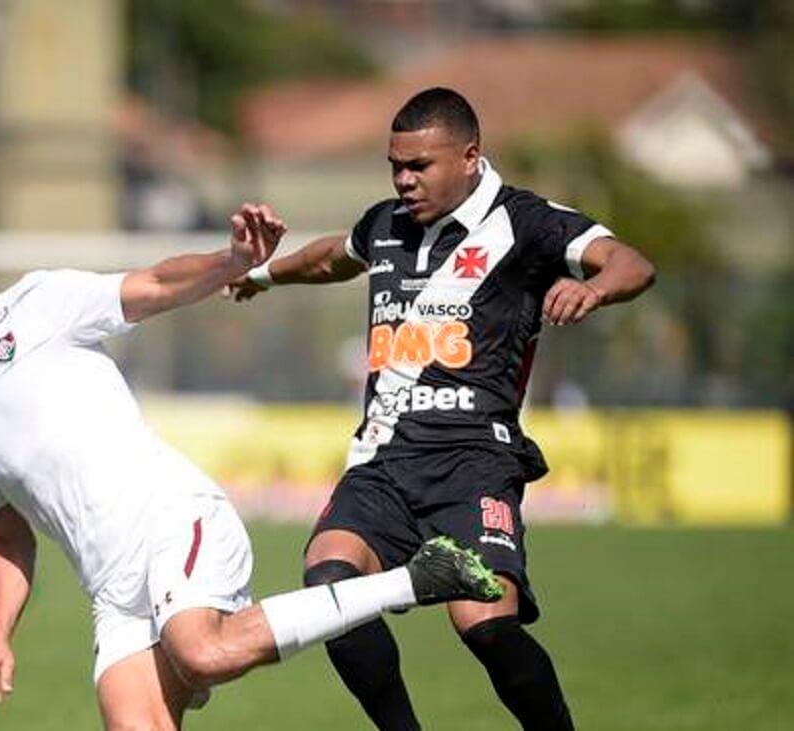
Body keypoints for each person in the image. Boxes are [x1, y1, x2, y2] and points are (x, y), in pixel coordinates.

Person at [0, 202, 505, 729]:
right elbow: (9, 538)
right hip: (110, 593)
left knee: (200, 648)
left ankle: (415, 580)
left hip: (171, 520)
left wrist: (234, 260)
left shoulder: (33, 303)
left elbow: (154, 283)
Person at [228, 87, 656, 729]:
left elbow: (631, 264)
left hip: (473, 460)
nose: (404, 180)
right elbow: (329, 260)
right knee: (330, 591)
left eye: (419, 166)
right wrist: (261, 276)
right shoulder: (385, 225)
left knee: (484, 626)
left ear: (470, 157)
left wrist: (592, 289)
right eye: (395, 166)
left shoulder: (529, 223)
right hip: (382, 459)